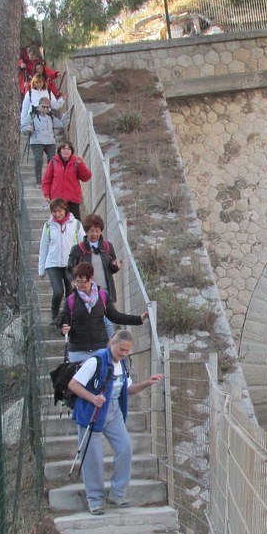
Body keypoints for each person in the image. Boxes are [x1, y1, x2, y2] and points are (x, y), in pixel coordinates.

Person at [67, 329, 163, 513]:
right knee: (93, 457)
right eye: (121, 350)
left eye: (127, 351)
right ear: (112, 343)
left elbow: (128, 389)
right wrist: (92, 398)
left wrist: (147, 383)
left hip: (114, 412)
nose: (124, 353)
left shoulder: (122, 364)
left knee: (125, 448)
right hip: (91, 412)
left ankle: (117, 494)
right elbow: (73, 384)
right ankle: (95, 500)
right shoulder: (96, 361)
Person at [58, 262, 146, 359]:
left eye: (82, 281)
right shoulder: (71, 300)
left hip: (100, 349)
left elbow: (116, 316)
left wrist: (139, 319)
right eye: (77, 281)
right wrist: (64, 330)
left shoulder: (103, 296)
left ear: (91, 278)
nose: (79, 285)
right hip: (78, 351)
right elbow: (64, 323)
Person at [38, 198, 85, 329]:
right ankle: (54, 314)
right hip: (53, 264)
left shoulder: (75, 224)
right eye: (54, 212)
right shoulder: (48, 226)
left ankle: (67, 318)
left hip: (70, 265)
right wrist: (41, 269)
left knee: (70, 293)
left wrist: (82, 265)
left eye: (59, 211)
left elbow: (83, 244)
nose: (57, 214)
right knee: (58, 291)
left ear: (65, 209)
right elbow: (43, 247)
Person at [68, 214, 121, 302]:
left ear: (101, 231)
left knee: (111, 315)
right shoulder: (77, 249)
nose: (95, 234)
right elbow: (69, 270)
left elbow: (112, 268)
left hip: (107, 294)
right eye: (91, 231)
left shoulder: (108, 246)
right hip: (86, 295)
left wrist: (115, 265)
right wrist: (73, 281)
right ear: (86, 231)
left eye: (97, 231)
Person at [42, 141, 91, 221]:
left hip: (73, 199)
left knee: (74, 223)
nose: (66, 151)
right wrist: (46, 195)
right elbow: (47, 180)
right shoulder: (54, 161)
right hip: (57, 200)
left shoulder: (76, 161)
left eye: (68, 149)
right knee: (58, 222)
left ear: (71, 151)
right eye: (64, 148)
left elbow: (86, 177)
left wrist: (80, 164)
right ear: (60, 150)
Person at [21, 97, 64, 186]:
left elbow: (61, 124)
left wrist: (67, 115)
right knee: (38, 161)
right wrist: (27, 129)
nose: (45, 109)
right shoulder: (32, 115)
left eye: (47, 107)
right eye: (43, 106)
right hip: (37, 141)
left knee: (52, 161)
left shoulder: (50, 117)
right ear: (39, 106)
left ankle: (51, 180)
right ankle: (38, 181)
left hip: (50, 141)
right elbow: (23, 128)